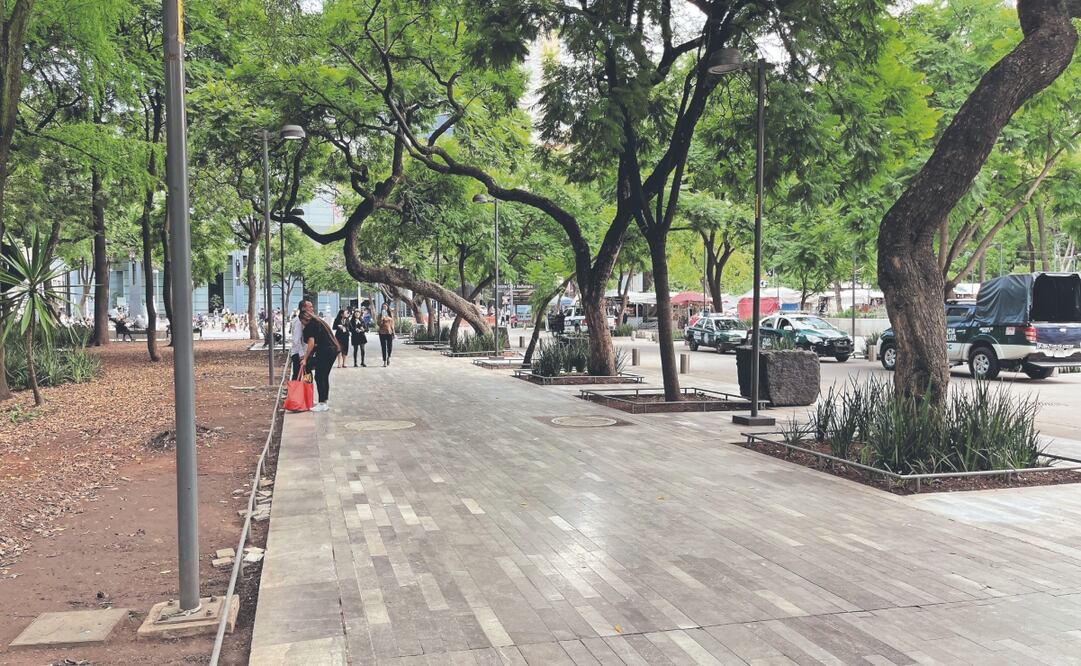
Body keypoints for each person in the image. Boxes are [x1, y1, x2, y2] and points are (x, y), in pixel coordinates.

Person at [299, 307, 339, 412]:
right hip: (332, 350)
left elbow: (311, 343)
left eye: (301, 322)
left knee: (319, 376)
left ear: (303, 320)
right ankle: (323, 401)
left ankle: (321, 402)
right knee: (323, 375)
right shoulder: (318, 322)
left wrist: (305, 358)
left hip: (325, 351)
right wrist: (307, 357)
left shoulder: (309, 326)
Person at [289, 299, 313, 380]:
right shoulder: (299, 321)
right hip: (299, 354)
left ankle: (307, 388)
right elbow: (296, 339)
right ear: (303, 308)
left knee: (307, 374)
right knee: (297, 376)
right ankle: (297, 389)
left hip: (304, 353)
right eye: (310, 307)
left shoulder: (305, 320)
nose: (312, 309)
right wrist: (302, 354)